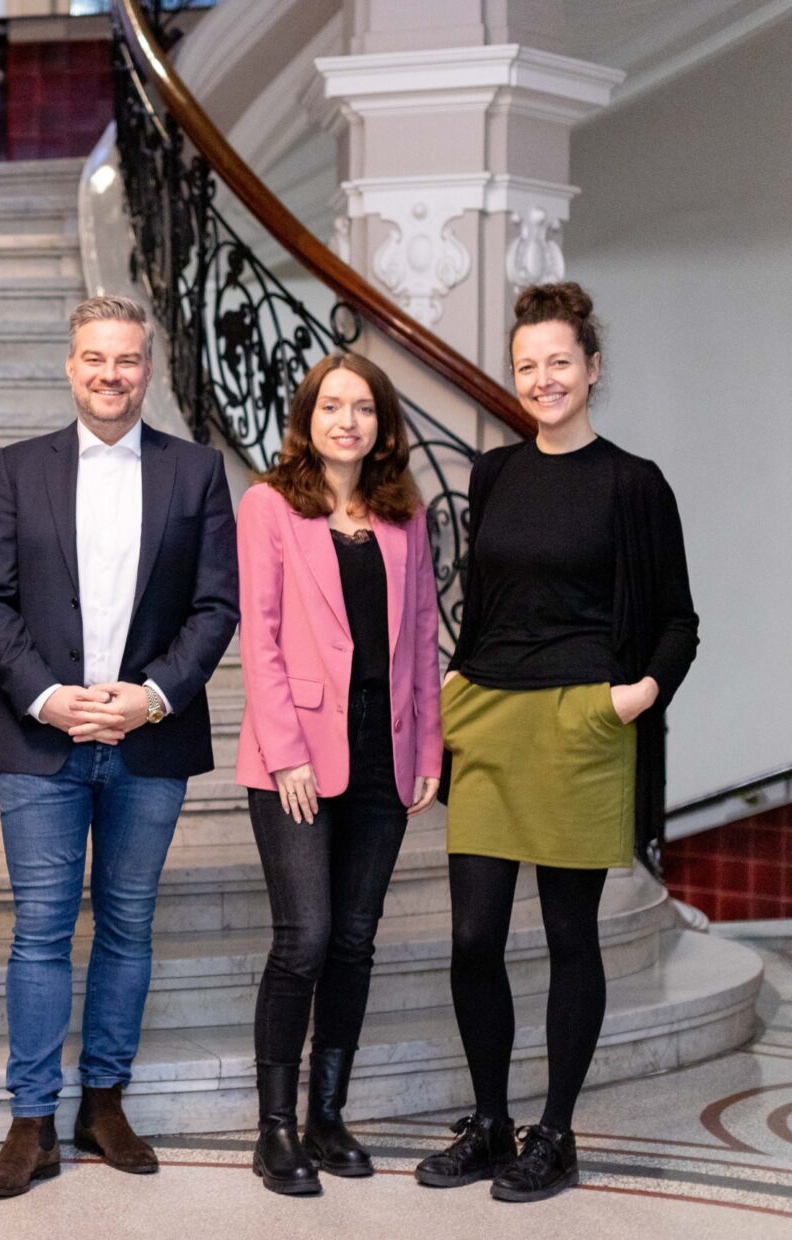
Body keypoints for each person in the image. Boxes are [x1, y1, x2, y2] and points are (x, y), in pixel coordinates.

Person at [416, 282, 698, 1203]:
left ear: (593, 368)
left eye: (560, 363)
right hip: (491, 717)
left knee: (571, 936)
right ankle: (493, 1123)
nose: (543, 379)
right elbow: (486, 601)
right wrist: (456, 682)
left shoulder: (632, 483)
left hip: (582, 723)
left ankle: (558, 1132)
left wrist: (634, 697)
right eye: (527, 365)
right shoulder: (494, 472)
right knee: (472, 938)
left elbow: (677, 621)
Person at [0, 295, 239, 1197]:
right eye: (94, 358)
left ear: (147, 370)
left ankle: (105, 1104)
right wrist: (47, 698)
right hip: (42, 742)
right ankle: (32, 1119)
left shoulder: (196, 472)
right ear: (70, 365)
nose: (109, 374)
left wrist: (151, 698)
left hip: (147, 741)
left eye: (125, 360)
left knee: (127, 926)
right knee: (40, 932)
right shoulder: (18, 468)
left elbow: (215, 607)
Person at [234, 354, 443, 1195]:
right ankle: (275, 1128)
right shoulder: (269, 505)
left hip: (382, 755)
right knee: (306, 938)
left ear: (382, 426)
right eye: (332, 406)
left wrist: (427, 750)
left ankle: (328, 1115)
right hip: (296, 758)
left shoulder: (405, 516)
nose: (347, 421)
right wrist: (285, 751)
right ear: (308, 419)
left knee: (356, 941)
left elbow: (424, 637)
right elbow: (261, 635)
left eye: (363, 408)